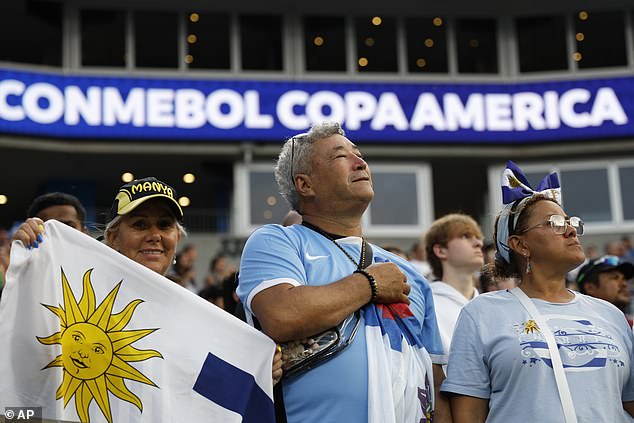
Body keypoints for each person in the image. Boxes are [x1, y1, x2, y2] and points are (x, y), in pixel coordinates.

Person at [237, 122, 448, 423]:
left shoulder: (408, 273)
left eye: (359, 154)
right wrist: (370, 283)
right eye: (340, 157)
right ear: (305, 184)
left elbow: (435, 382)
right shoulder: (277, 241)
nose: (360, 162)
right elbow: (281, 315)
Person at [13, 177, 284, 384]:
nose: (154, 235)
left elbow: (201, 391)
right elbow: (26, 358)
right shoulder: (75, 297)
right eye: (140, 224)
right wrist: (27, 264)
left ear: (177, 238)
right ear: (114, 237)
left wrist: (257, 370)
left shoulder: (199, 316)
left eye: (164, 225)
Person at [442, 161, 634, 422]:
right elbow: (468, 415)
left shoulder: (611, 315)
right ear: (520, 244)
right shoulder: (481, 314)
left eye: (570, 222)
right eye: (554, 223)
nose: (570, 230)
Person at [424, 213, 484, 355]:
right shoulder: (426, 304)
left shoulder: (491, 305)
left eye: (478, 237)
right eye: (465, 236)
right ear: (441, 250)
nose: (479, 243)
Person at [577, 255, 634, 328]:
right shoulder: (577, 327)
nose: (624, 284)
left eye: (624, 279)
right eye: (615, 277)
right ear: (590, 288)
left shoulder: (631, 327)